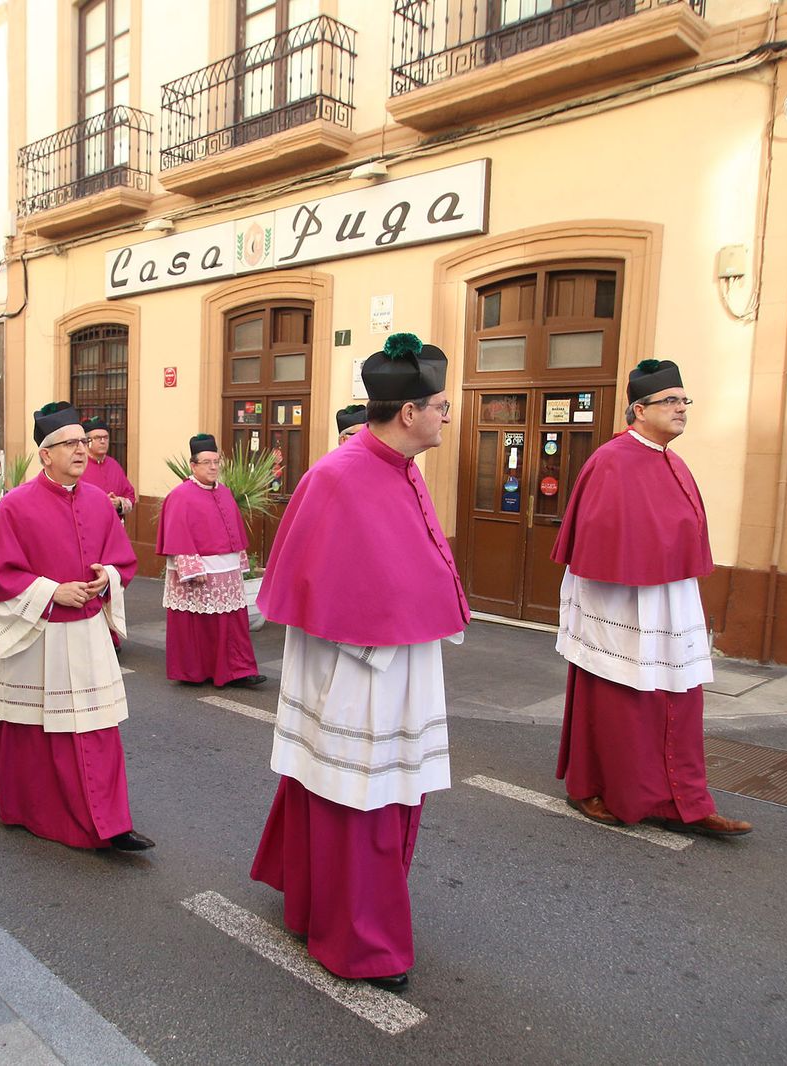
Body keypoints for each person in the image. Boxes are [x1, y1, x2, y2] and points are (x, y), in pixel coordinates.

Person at [251, 332, 469, 993]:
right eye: (440, 405)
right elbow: (318, 585)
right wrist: (377, 634)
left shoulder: (403, 470)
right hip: (357, 671)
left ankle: (321, 906)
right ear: (409, 412)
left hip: (397, 662)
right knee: (360, 799)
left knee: (369, 793)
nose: (446, 416)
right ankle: (357, 940)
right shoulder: (339, 476)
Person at [552, 358, 752, 840]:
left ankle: (684, 800)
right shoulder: (611, 459)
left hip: (671, 598)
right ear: (639, 409)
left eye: (685, 400)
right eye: (672, 401)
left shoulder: (673, 461)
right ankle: (601, 788)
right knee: (622, 696)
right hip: (620, 603)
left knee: (679, 699)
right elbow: (597, 541)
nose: (682, 409)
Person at [0, 401, 152, 851]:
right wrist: (52, 591)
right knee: (34, 730)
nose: (82, 450)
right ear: (45, 454)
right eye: (70, 443)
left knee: (97, 728)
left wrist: (105, 578)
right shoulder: (14, 506)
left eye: (84, 441)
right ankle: (31, 808)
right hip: (39, 633)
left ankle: (110, 822)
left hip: (86, 634)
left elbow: (123, 560)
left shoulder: (99, 503)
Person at [156, 433, 266, 689]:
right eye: (207, 462)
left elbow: (235, 533)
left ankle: (239, 670)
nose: (214, 467)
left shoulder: (225, 493)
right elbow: (177, 535)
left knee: (233, 622)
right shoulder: (180, 496)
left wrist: (240, 563)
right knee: (198, 624)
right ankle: (197, 671)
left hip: (226, 569)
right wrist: (191, 568)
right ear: (193, 465)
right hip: (200, 570)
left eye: (216, 461)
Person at [81, 417, 135, 519]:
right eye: (98, 438)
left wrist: (118, 503)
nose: (103, 441)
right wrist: (102, 502)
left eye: (106, 438)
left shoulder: (114, 465)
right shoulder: (78, 465)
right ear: (87, 441)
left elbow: (130, 496)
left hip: (114, 526)